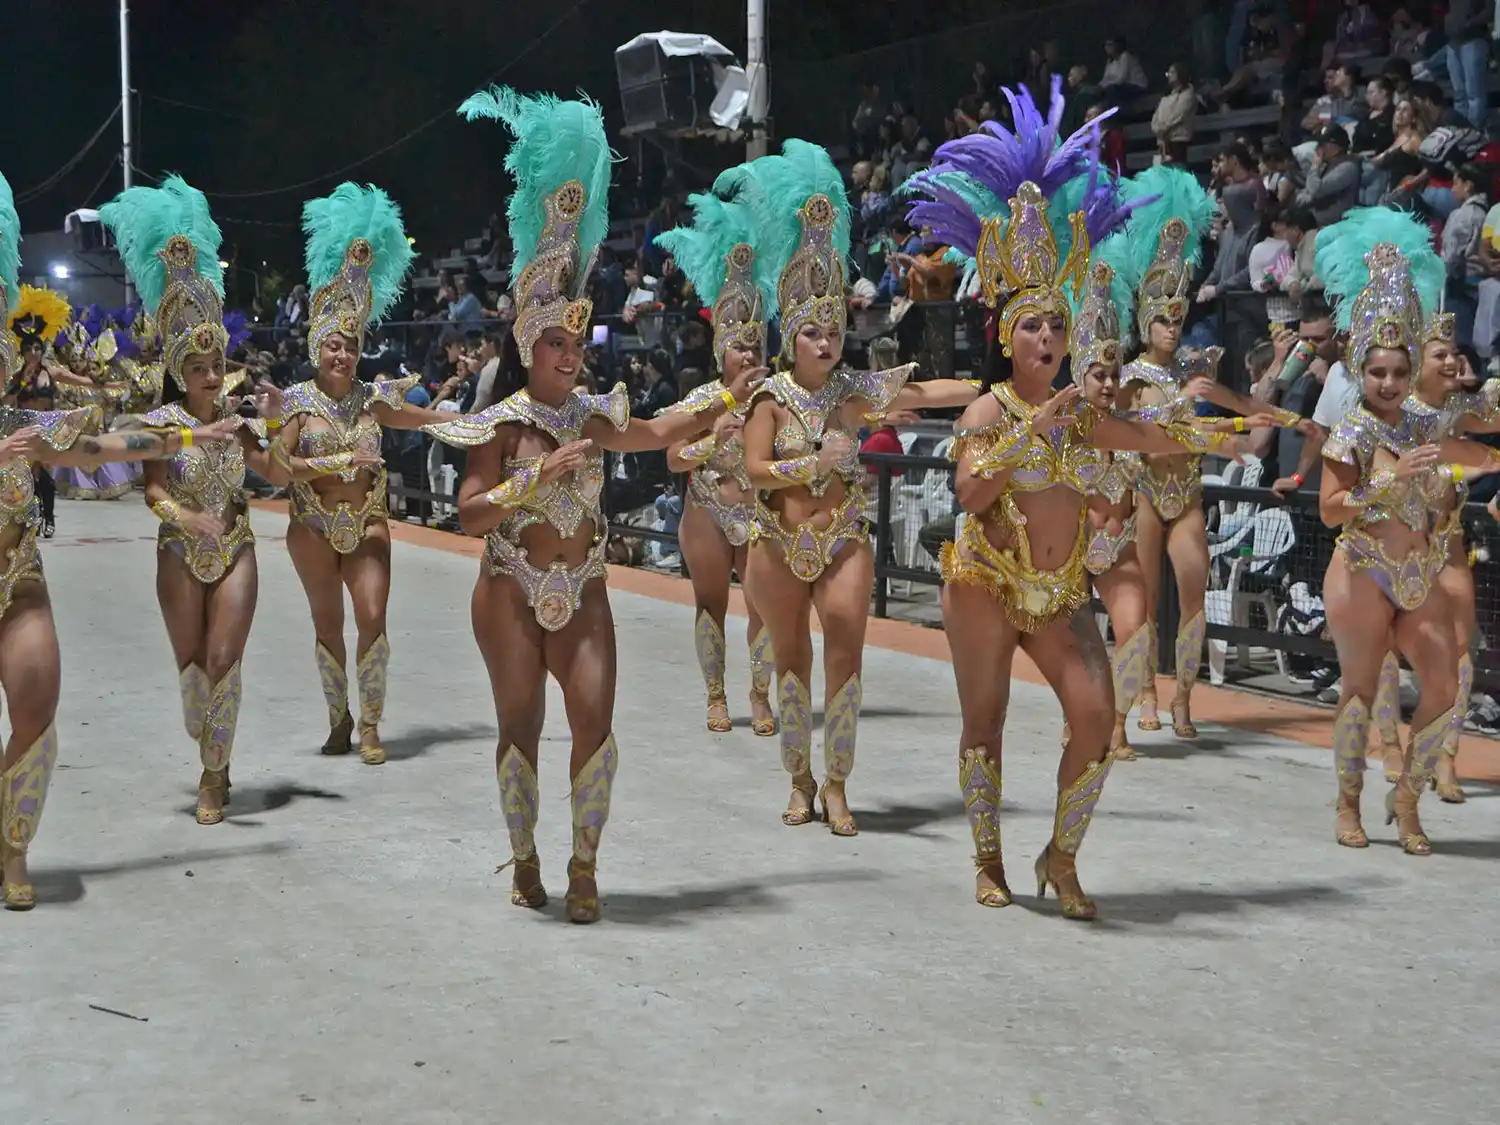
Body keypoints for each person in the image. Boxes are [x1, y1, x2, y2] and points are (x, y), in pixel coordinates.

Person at [905, 88, 1250, 918]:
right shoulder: (990, 410)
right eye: (1033, 327)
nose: (1049, 339)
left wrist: (1219, 435)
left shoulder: (1090, 414)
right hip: (985, 582)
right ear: (1006, 336)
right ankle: (988, 858)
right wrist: (1039, 428)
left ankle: (1060, 855)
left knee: (1094, 715)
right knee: (983, 723)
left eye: (1057, 325)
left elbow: (1149, 439)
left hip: (1060, 592)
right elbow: (970, 490)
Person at [427, 88, 763, 924]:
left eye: (578, 344)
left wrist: (727, 395)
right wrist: (533, 481)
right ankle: (527, 854)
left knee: (595, 726)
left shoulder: (593, 416)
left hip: (582, 588)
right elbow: (468, 515)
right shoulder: (499, 423)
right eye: (557, 344)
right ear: (524, 347)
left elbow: (654, 432)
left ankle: (584, 864)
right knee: (519, 728)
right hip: (507, 588)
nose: (573, 357)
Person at [0, 171, 243, 908]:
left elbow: (102, 445)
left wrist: (190, 429)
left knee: (37, 701)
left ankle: (13, 850)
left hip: (18, 579)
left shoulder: (25, 426)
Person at [731, 137, 979, 838]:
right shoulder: (771, 399)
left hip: (843, 541)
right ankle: (799, 779)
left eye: (834, 326)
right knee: (791, 661)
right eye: (812, 330)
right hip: (778, 542)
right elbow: (751, 471)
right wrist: (810, 464)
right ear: (791, 335)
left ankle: (838, 783)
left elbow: (927, 388)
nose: (826, 339)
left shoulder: (855, 390)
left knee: (844, 657)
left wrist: (993, 389)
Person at [100, 176, 290, 825]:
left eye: (218, 364)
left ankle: (213, 776)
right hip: (179, 551)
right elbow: (151, 491)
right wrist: (187, 518)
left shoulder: (241, 422)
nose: (213, 374)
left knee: (222, 659)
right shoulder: (162, 426)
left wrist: (276, 420)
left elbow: (281, 477)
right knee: (192, 675)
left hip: (235, 547)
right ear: (183, 372)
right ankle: (212, 746)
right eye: (200, 367)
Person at [1313, 207, 1500, 855]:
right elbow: (1331, 508)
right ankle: (1347, 803)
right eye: (1378, 372)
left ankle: (1408, 799)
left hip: (1416, 572)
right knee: (1360, 691)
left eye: (1398, 371)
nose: (1390, 383)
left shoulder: (1424, 424)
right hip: (1361, 567)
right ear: (1360, 372)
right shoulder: (1353, 430)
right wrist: (1389, 483)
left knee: (1443, 686)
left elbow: (1470, 451)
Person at [1110, 166, 1305, 739]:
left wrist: (1259, 388)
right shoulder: (1129, 376)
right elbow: (1108, 426)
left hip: (1187, 493)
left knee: (1193, 596)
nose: (1173, 327)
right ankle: (1144, 690)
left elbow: (1246, 409)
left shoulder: (1197, 369)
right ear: (1145, 323)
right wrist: (1160, 418)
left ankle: (1184, 699)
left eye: (1178, 317)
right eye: (1164, 319)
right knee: (1142, 601)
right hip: (1147, 489)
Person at [269, 183, 457, 766]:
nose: (342, 355)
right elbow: (279, 468)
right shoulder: (297, 400)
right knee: (327, 624)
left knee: (371, 617)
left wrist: (478, 421)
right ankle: (338, 718)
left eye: (350, 346)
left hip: (369, 520)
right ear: (315, 348)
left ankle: (372, 723)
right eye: (332, 346)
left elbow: (424, 418)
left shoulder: (374, 398)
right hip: (311, 526)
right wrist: (337, 462)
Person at [656, 189, 779, 735]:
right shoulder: (701, 399)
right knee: (709, 603)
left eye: (755, 344)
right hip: (706, 508)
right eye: (738, 346)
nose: (748, 354)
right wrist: (713, 437)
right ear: (719, 353)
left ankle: (759, 695)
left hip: (756, 512)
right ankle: (714, 695)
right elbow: (672, 455)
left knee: (762, 606)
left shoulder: (777, 399)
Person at [1368, 306, 1500, 802]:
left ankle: (1446, 757)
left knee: (1461, 649)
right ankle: (1387, 744)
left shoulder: (1454, 412)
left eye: (1454, 353)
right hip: (1397, 544)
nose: (1450, 361)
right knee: (1383, 644)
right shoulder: (1391, 415)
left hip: (1447, 542)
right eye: (1440, 354)